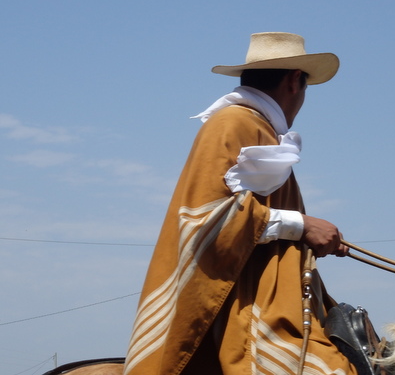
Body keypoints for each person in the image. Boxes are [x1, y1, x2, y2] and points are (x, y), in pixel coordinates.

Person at [124, 32, 356, 375]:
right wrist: (302, 225)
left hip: (261, 298)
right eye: (306, 87)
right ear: (294, 81)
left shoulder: (253, 125)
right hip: (244, 308)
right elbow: (206, 219)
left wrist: (303, 235)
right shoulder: (236, 123)